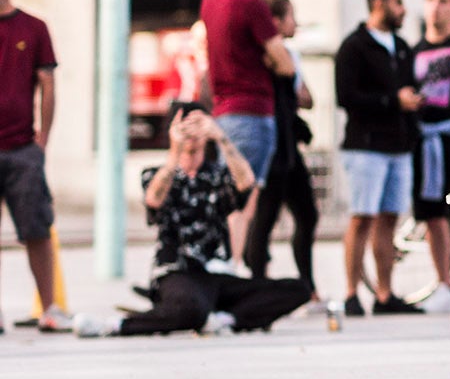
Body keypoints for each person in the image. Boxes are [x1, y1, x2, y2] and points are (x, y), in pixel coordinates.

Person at [77, 106, 311, 338]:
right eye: (185, 126)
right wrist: (175, 150)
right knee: (192, 309)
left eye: (197, 126)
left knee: (298, 289)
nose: (192, 134)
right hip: (177, 272)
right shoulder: (157, 173)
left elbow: (246, 183)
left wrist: (221, 137)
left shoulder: (216, 175)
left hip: (216, 273)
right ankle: (117, 325)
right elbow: (154, 199)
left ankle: (225, 319)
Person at [198, 0, 295, 254]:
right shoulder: (252, 5)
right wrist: (269, 58)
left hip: (222, 111)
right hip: (253, 111)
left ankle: (225, 265)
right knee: (244, 202)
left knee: (226, 197)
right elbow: (285, 63)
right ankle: (233, 267)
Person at [335, 0, 420, 317]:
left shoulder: (401, 46)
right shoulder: (354, 47)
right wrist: (392, 101)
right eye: (398, 2)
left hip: (398, 147)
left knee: (389, 219)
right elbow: (347, 97)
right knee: (362, 217)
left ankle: (385, 294)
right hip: (365, 147)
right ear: (379, 3)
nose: (403, 10)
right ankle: (351, 292)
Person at [0, 0, 66, 330]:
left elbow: (48, 83)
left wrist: (43, 138)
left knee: (37, 229)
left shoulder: (33, 28)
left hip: (23, 148)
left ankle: (50, 307)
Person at [242, 0, 320, 304]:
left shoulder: (290, 56)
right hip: (272, 146)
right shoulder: (263, 57)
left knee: (307, 214)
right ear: (274, 22)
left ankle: (307, 286)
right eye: (291, 17)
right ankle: (258, 286)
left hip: (289, 147)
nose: (295, 23)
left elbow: (306, 97)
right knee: (265, 218)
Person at [408, 0, 450, 312]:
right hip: (424, 139)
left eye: (443, 0)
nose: (435, 6)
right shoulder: (414, 51)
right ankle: (443, 283)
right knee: (432, 215)